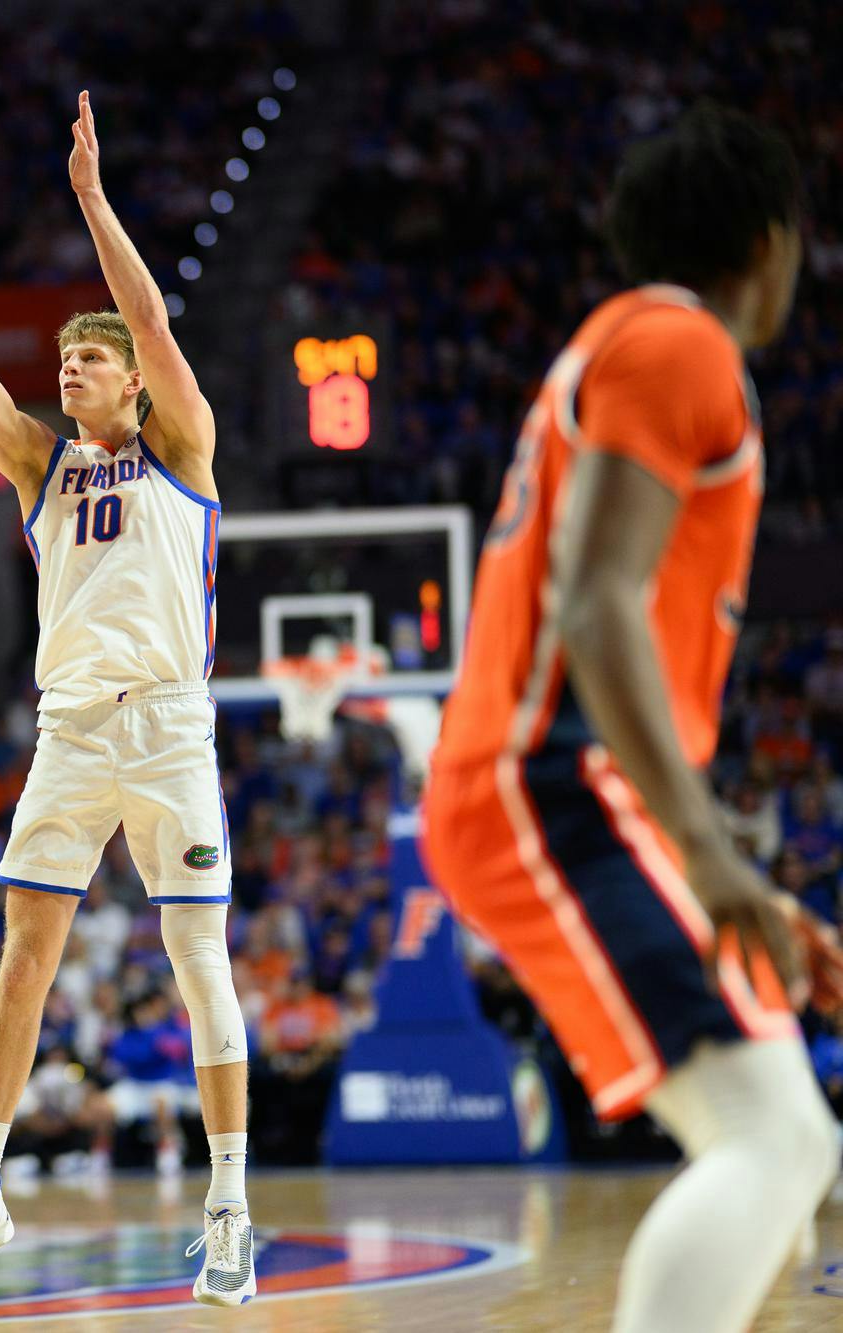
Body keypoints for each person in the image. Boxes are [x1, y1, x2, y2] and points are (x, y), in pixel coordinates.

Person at [422, 105, 843, 1333]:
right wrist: (709, 861)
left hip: (572, 787)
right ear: (771, 242)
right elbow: (592, 600)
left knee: (788, 1145)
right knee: (770, 1135)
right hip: (540, 779)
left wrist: (732, 877)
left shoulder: (638, 345)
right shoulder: (677, 342)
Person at [0, 93, 254, 1305]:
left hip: (166, 726)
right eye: (64, 357)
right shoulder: (37, 465)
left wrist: (93, 202)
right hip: (67, 727)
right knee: (22, 961)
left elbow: (151, 313)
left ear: (133, 387)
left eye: (87, 359)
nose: (68, 367)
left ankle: (225, 1210)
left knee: (195, 956)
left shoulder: (184, 447)